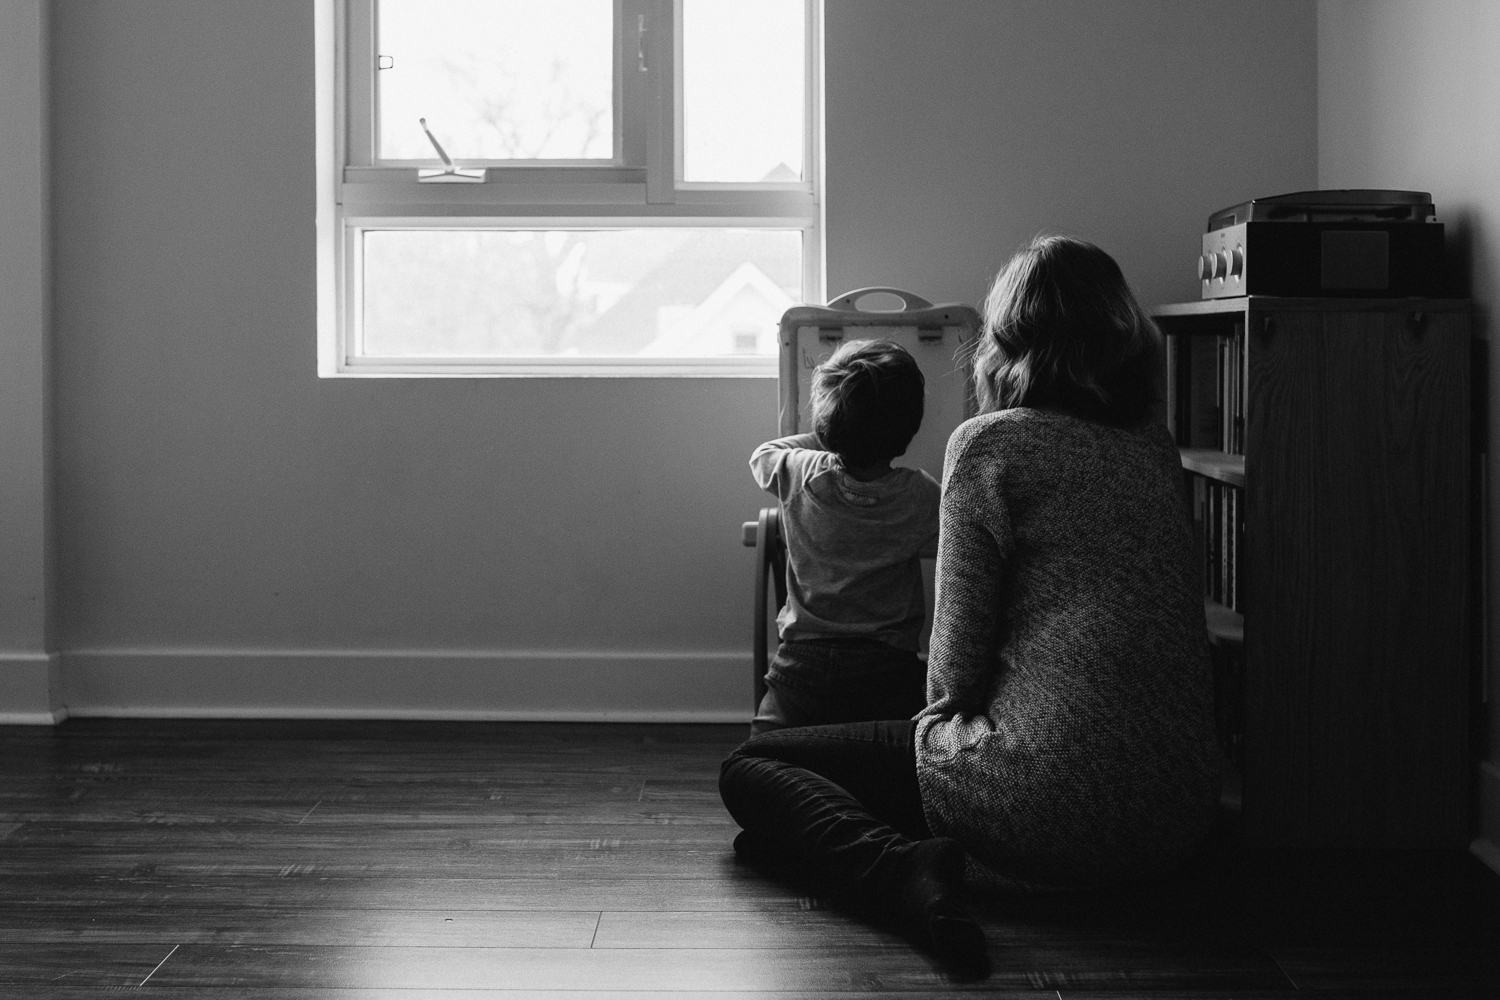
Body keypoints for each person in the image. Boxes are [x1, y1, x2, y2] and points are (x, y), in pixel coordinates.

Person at [719, 236, 1223, 978]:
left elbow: (950, 680)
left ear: (1006, 343)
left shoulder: (990, 445)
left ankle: (903, 874)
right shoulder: (1151, 443)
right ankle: (910, 846)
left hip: (1044, 803)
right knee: (782, 825)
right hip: (1176, 815)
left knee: (755, 770)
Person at [748, 338, 940, 734]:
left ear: (826, 419)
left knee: (760, 759)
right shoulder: (921, 494)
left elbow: (762, 455)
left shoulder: (800, 471)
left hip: (802, 666)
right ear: (908, 427)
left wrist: (834, 433)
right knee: (898, 765)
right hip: (889, 668)